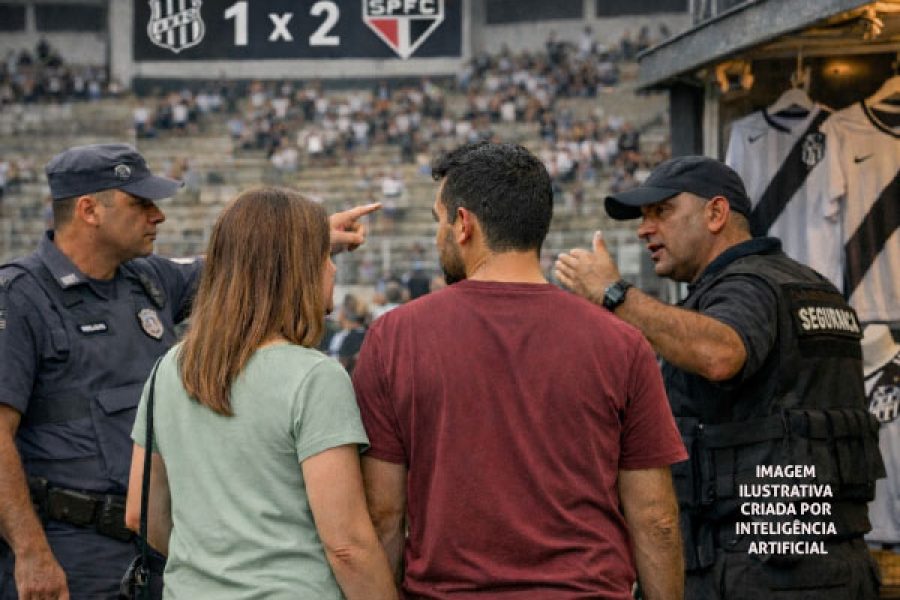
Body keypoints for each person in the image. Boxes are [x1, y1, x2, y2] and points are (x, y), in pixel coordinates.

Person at [0, 143, 378, 599]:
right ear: (89, 210)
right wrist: (30, 552)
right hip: (68, 548)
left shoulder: (148, 280)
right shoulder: (19, 297)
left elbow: (250, 268)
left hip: (149, 550)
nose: (157, 215)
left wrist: (308, 238)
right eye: (140, 203)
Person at [353, 142, 687, 599]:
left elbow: (384, 515)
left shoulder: (394, 338)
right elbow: (655, 518)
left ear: (464, 224)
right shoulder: (622, 343)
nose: (437, 237)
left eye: (439, 221)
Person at [555, 155, 884, 599]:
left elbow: (721, 354)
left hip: (759, 571)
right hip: (829, 561)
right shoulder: (814, 287)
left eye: (661, 211)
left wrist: (615, 294)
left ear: (715, 213)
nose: (644, 229)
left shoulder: (749, 286)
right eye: (644, 216)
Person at [124, 187, 396, 599]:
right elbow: (347, 546)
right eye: (324, 256)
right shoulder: (314, 377)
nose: (332, 268)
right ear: (298, 271)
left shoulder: (169, 369)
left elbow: (141, 514)